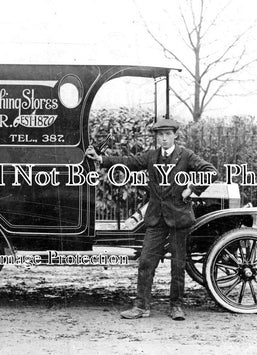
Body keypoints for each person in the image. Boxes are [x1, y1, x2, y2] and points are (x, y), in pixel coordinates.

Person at [85, 119, 217, 321]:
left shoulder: (186, 155)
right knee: (146, 261)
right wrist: (100, 159)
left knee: (178, 265)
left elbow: (211, 172)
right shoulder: (152, 156)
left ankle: (176, 306)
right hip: (156, 219)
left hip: (179, 219)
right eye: (160, 135)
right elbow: (128, 162)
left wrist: (191, 189)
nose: (164, 138)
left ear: (175, 135)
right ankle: (141, 306)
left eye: (167, 134)